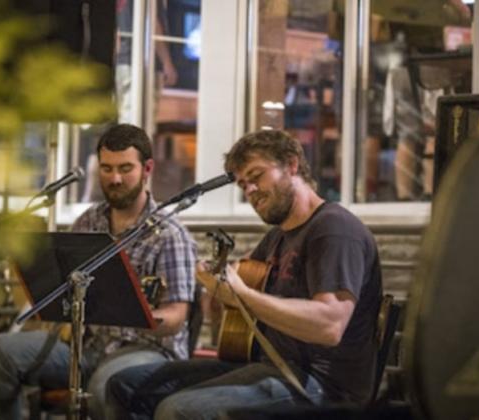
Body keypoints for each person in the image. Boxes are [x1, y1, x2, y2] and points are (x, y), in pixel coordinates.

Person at [106, 129, 383, 419]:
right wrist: (214, 285)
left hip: (322, 387)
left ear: (291, 165)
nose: (250, 190)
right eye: (243, 184)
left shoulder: (334, 230)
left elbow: (329, 326)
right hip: (268, 365)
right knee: (125, 385)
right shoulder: (277, 237)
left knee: (178, 411)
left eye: (257, 176)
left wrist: (242, 295)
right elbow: (238, 285)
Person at [0, 124, 197, 420]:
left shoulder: (170, 234)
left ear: (147, 169)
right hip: (87, 348)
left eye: (125, 168)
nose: (115, 178)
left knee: (106, 386)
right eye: (106, 168)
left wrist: (132, 313)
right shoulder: (87, 221)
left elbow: (177, 317)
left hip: (146, 352)